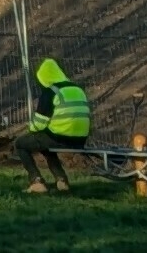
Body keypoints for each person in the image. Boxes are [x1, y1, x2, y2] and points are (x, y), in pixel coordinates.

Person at [15, 57, 91, 193]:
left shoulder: (51, 92)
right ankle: (61, 180)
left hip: (59, 137)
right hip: (80, 139)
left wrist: (31, 129)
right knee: (45, 144)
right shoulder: (77, 89)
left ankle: (36, 181)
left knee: (21, 144)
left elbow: (39, 123)